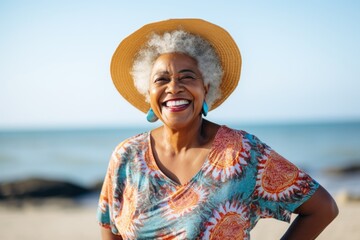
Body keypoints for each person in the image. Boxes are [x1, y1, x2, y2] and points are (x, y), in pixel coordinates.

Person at [97, 18, 338, 240]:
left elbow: (322, 208)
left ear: (206, 87)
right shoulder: (126, 156)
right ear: (148, 93)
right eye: (161, 79)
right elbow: (109, 226)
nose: (174, 87)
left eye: (187, 77)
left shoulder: (242, 153)